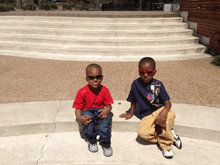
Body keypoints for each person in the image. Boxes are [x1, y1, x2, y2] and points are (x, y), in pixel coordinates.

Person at [119, 57, 182, 159]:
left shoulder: (158, 84)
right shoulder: (136, 84)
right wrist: (130, 113)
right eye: (142, 72)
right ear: (138, 72)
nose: (145, 75)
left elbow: (167, 102)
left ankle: (166, 146)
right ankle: (169, 134)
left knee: (169, 115)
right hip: (147, 115)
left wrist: (164, 112)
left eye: (149, 72)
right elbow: (133, 100)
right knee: (143, 134)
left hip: (160, 111)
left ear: (154, 72)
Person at [73, 63, 113, 157]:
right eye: (91, 78)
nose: (95, 80)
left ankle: (105, 143)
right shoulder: (82, 91)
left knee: (105, 123)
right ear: (87, 79)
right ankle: (92, 140)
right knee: (87, 118)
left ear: (102, 78)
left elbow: (109, 105)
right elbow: (78, 108)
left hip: (100, 111)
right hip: (88, 111)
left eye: (98, 77)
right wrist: (80, 117)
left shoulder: (104, 90)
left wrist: (107, 110)